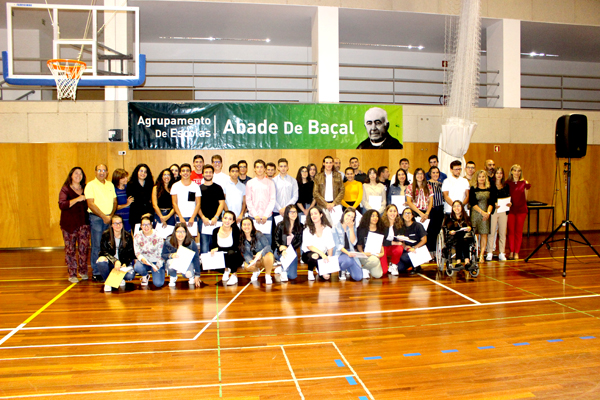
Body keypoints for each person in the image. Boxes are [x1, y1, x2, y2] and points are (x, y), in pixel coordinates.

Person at [85, 164, 117, 281]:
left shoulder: (110, 185)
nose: (102, 172)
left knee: (108, 245)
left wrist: (110, 216)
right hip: (97, 219)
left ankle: (107, 269)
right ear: (95, 172)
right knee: (97, 245)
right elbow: (90, 204)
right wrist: (103, 216)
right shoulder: (90, 185)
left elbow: (115, 201)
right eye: (99, 170)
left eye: (104, 170)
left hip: (109, 218)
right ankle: (96, 272)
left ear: (107, 172)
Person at [58, 167, 90, 283]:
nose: (78, 175)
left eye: (80, 173)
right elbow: (62, 204)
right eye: (76, 173)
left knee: (83, 249)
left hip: (84, 224)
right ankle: (72, 274)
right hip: (69, 225)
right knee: (70, 250)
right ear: (71, 175)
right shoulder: (65, 189)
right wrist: (77, 199)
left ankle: (83, 271)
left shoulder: (86, 188)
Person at [97, 215, 136, 292]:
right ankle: (108, 282)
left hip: (122, 264)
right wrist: (115, 261)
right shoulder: (106, 235)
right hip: (111, 263)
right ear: (111, 225)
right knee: (101, 260)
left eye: (120, 223)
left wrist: (125, 263)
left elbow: (130, 253)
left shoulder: (127, 236)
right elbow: (103, 251)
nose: (118, 225)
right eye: (115, 223)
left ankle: (119, 278)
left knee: (130, 276)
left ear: (122, 224)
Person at [162, 222, 201, 288]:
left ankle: (191, 275)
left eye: (183, 231)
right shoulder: (168, 241)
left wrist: (197, 275)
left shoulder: (191, 242)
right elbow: (163, 255)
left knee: (188, 274)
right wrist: (171, 255)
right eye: (178, 232)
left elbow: (196, 258)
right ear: (174, 232)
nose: (180, 234)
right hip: (174, 262)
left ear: (186, 233)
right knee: (169, 262)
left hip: (187, 263)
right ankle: (173, 276)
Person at [301, 206, 336, 281]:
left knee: (326, 276)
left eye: (315, 213)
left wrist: (329, 260)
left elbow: (330, 246)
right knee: (315, 255)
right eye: (311, 214)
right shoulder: (307, 229)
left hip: (322, 255)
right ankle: (310, 271)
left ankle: (318, 267)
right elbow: (309, 246)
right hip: (309, 254)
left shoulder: (327, 229)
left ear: (321, 215)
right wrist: (322, 254)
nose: (313, 216)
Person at [246, 159, 276, 244]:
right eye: (257, 167)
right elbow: (248, 200)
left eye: (261, 167)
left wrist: (266, 215)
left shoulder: (270, 183)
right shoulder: (250, 183)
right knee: (253, 240)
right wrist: (255, 215)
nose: (259, 169)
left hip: (267, 217)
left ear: (264, 169)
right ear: (254, 169)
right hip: (253, 216)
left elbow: (272, 199)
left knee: (267, 240)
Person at [198, 164, 226, 256]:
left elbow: (222, 203)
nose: (208, 174)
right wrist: (203, 217)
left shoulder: (218, 188)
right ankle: (204, 264)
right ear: (202, 174)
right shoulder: (198, 188)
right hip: (203, 221)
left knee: (216, 245)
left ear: (213, 174)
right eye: (206, 172)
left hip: (216, 220)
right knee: (204, 246)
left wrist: (216, 217)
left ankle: (216, 263)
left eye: (210, 172)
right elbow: (196, 205)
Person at [469, 170, 496, 263]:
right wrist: (482, 212)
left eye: (483, 176)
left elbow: (492, 202)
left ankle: (481, 255)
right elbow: (472, 203)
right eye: (479, 176)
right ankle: (475, 254)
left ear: (486, 178)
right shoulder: (473, 188)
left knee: (484, 234)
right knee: (475, 234)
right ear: (476, 178)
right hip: (476, 214)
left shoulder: (490, 188)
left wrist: (487, 213)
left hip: (486, 214)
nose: (481, 178)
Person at [239, 217, 275, 284]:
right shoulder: (240, 238)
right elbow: (245, 253)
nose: (246, 226)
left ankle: (268, 275)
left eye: (249, 224)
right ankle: (256, 271)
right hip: (253, 260)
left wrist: (261, 254)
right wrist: (250, 260)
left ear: (252, 225)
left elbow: (268, 246)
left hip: (263, 258)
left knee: (269, 255)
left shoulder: (258, 234)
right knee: (247, 266)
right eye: (244, 224)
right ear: (241, 226)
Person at [506, 164, 531, 260]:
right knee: (511, 231)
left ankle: (516, 252)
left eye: (519, 171)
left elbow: (525, 198)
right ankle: (511, 251)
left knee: (518, 231)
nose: (517, 173)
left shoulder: (524, 183)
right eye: (515, 170)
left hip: (521, 210)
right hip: (511, 210)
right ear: (511, 172)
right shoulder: (507, 183)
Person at [212, 210, 243, 286]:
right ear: (222, 219)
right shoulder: (215, 231)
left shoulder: (235, 230)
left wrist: (219, 249)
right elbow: (214, 247)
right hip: (222, 256)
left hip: (234, 256)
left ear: (233, 221)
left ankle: (234, 275)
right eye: (225, 218)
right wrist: (214, 250)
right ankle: (226, 270)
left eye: (230, 219)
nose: (227, 221)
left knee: (231, 252)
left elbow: (235, 247)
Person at [133, 214, 165, 288]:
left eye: (148, 224)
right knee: (137, 267)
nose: (146, 227)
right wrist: (142, 259)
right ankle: (145, 275)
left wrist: (158, 265)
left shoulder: (158, 236)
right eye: (144, 225)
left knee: (158, 284)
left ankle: (158, 271)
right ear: (141, 226)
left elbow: (162, 253)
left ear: (151, 225)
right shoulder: (137, 236)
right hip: (145, 261)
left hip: (156, 261)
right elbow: (137, 252)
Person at [273, 204, 303, 282]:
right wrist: (281, 248)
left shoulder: (300, 226)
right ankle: (283, 271)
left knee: (292, 276)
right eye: (291, 212)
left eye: (295, 212)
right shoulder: (280, 225)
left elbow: (299, 242)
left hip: (292, 251)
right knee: (284, 256)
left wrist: (288, 249)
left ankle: (281, 268)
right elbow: (276, 239)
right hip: (279, 251)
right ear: (287, 213)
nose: (293, 214)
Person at [333, 208, 364, 281]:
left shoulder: (352, 227)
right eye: (348, 215)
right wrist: (348, 253)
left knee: (358, 277)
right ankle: (342, 270)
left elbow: (354, 242)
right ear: (344, 215)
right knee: (349, 260)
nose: (350, 218)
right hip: (340, 253)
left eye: (352, 217)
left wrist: (351, 228)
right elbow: (338, 245)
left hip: (350, 251)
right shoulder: (335, 227)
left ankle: (347, 267)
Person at [486, 167, 510, 261]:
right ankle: (489, 252)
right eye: (497, 173)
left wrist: (510, 203)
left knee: (502, 233)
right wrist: (494, 203)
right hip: (494, 211)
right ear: (494, 174)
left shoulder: (506, 185)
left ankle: (502, 252)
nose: (499, 175)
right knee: (492, 232)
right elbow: (489, 198)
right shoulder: (490, 185)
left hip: (503, 211)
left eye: (501, 173)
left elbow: (508, 197)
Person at [313, 156, 345, 225]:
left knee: (338, 226)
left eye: (330, 163)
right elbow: (315, 192)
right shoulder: (318, 176)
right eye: (327, 163)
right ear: (323, 164)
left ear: (333, 164)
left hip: (335, 206)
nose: (328, 164)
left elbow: (342, 191)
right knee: (324, 226)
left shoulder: (338, 175)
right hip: (322, 206)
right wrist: (326, 204)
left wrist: (334, 203)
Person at [170, 163, 201, 231]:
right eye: (183, 171)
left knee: (192, 237)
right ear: (180, 173)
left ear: (190, 173)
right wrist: (180, 217)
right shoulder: (175, 186)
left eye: (187, 171)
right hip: (180, 217)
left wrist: (193, 217)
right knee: (180, 236)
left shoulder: (195, 186)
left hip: (192, 218)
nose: (185, 173)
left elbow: (198, 203)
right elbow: (174, 203)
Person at [445, 200, 475, 270]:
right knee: (459, 240)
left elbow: (471, 227)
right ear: (452, 208)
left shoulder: (466, 217)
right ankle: (458, 262)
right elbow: (446, 229)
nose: (456, 208)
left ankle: (467, 262)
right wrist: (450, 232)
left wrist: (469, 228)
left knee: (464, 240)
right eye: (454, 206)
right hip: (454, 237)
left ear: (462, 207)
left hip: (465, 236)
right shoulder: (449, 218)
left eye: (458, 206)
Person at [355, 209, 385, 279]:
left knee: (378, 275)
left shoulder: (380, 229)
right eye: (373, 216)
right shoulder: (361, 229)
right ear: (368, 217)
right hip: (363, 255)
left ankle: (364, 268)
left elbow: (381, 243)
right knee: (375, 260)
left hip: (374, 255)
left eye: (377, 216)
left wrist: (382, 253)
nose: (375, 218)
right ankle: (363, 268)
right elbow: (359, 245)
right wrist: (363, 253)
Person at [397, 207, 428, 274]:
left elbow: (424, 240)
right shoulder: (401, 227)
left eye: (409, 213)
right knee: (399, 268)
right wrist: (406, 247)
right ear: (402, 216)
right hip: (408, 251)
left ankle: (416, 265)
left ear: (412, 215)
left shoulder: (418, 226)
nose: (407, 215)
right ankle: (413, 264)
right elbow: (401, 241)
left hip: (418, 250)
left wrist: (414, 247)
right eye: (405, 213)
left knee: (404, 257)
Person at [127, 164, 154, 229]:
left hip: (148, 215)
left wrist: (149, 213)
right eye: (141, 171)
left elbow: (152, 201)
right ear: (137, 172)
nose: (143, 173)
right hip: (136, 216)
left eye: (145, 172)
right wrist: (142, 216)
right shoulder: (131, 184)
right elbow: (132, 202)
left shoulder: (150, 184)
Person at [427, 167, 445, 254]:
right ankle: (430, 251)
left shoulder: (441, 184)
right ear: (430, 174)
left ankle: (436, 251)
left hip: (440, 209)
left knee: (437, 230)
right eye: (433, 172)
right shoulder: (427, 184)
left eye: (437, 172)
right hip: (431, 209)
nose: (435, 174)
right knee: (430, 230)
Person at [380, 205, 404, 276]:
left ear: (397, 213)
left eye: (394, 211)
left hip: (392, 248)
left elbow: (400, 240)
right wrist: (394, 242)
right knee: (384, 271)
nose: (393, 213)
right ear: (386, 212)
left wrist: (401, 238)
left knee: (399, 248)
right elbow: (381, 240)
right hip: (383, 247)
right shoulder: (381, 224)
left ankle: (393, 265)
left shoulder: (400, 224)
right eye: (390, 211)